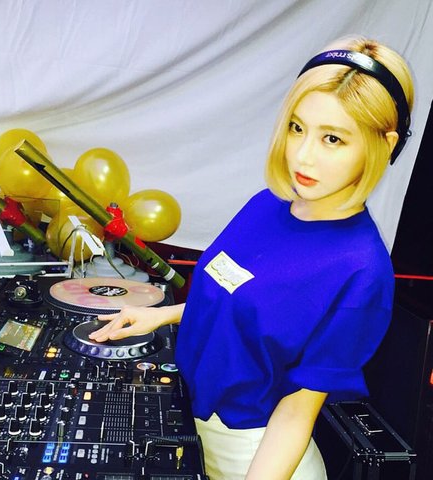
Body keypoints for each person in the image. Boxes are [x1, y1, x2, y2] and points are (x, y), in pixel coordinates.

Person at [89, 35, 414, 479]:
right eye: (297, 128)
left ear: (384, 144)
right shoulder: (265, 205)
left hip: (251, 454)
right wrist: (161, 316)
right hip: (187, 422)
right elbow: (241, 302)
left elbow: (297, 411)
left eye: (332, 139)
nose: (303, 155)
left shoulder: (363, 271)